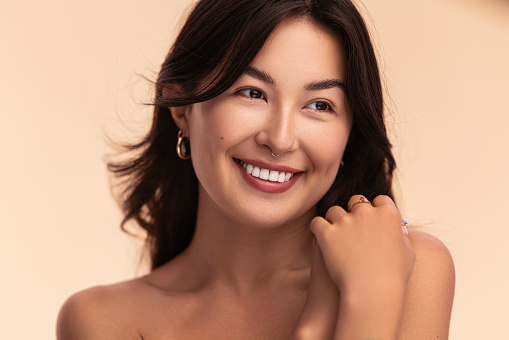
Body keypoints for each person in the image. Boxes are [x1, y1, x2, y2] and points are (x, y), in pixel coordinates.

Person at [56, 0, 455, 338]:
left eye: (319, 105)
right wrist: (359, 313)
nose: (280, 139)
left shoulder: (410, 269)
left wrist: (374, 293)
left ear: (350, 132)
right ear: (181, 107)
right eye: (252, 93)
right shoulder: (104, 321)